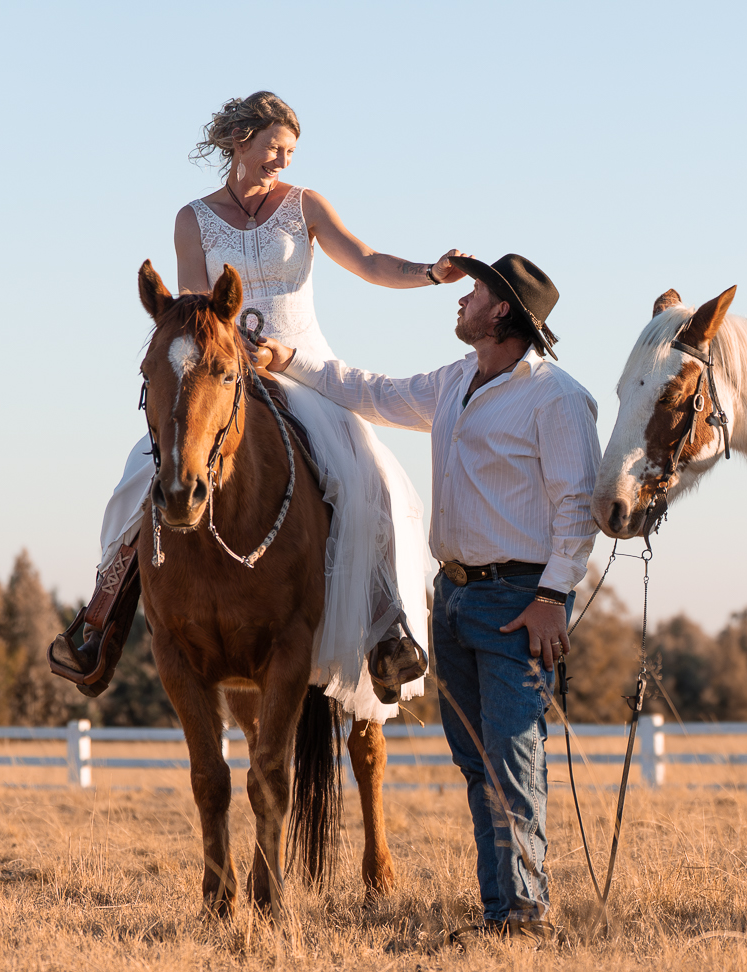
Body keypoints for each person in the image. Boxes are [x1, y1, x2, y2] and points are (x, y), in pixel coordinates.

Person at [51, 91, 459, 723]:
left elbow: (370, 262)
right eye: (273, 148)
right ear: (238, 140)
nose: (280, 161)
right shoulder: (193, 219)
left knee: (371, 480)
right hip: (225, 372)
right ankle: (99, 623)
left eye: (289, 152)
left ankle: (387, 628)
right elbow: (193, 305)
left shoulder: (306, 205)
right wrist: (223, 347)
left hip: (303, 370)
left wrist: (429, 272)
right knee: (140, 476)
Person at [256, 254, 601, 938]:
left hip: (517, 598)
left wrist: (553, 597)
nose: (461, 300)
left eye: (473, 292)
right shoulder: (454, 383)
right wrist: (289, 358)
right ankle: (501, 909)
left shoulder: (557, 397)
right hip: (455, 597)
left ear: (500, 309)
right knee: (478, 763)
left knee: (513, 758)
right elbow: (370, 390)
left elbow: (577, 505)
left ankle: (528, 911)